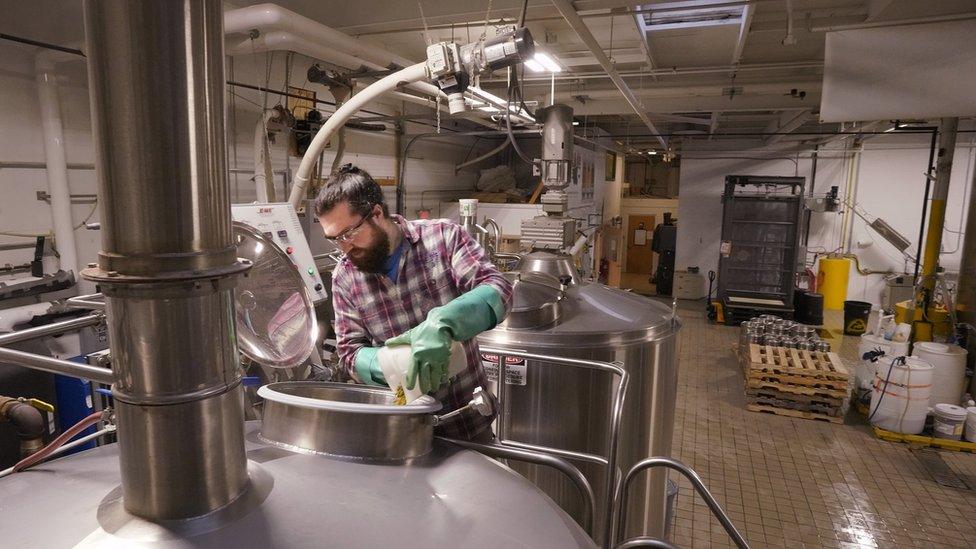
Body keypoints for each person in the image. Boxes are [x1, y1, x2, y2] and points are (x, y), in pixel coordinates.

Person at [315, 164, 512, 441]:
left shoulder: (443, 238)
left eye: (348, 234)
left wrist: (444, 323)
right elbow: (349, 354)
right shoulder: (345, 278)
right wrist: (393, 363)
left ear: (376, 213)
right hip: (398, 432)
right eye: (335, 240)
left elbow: (498, 288)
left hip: (467, 423)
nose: (344, 247)